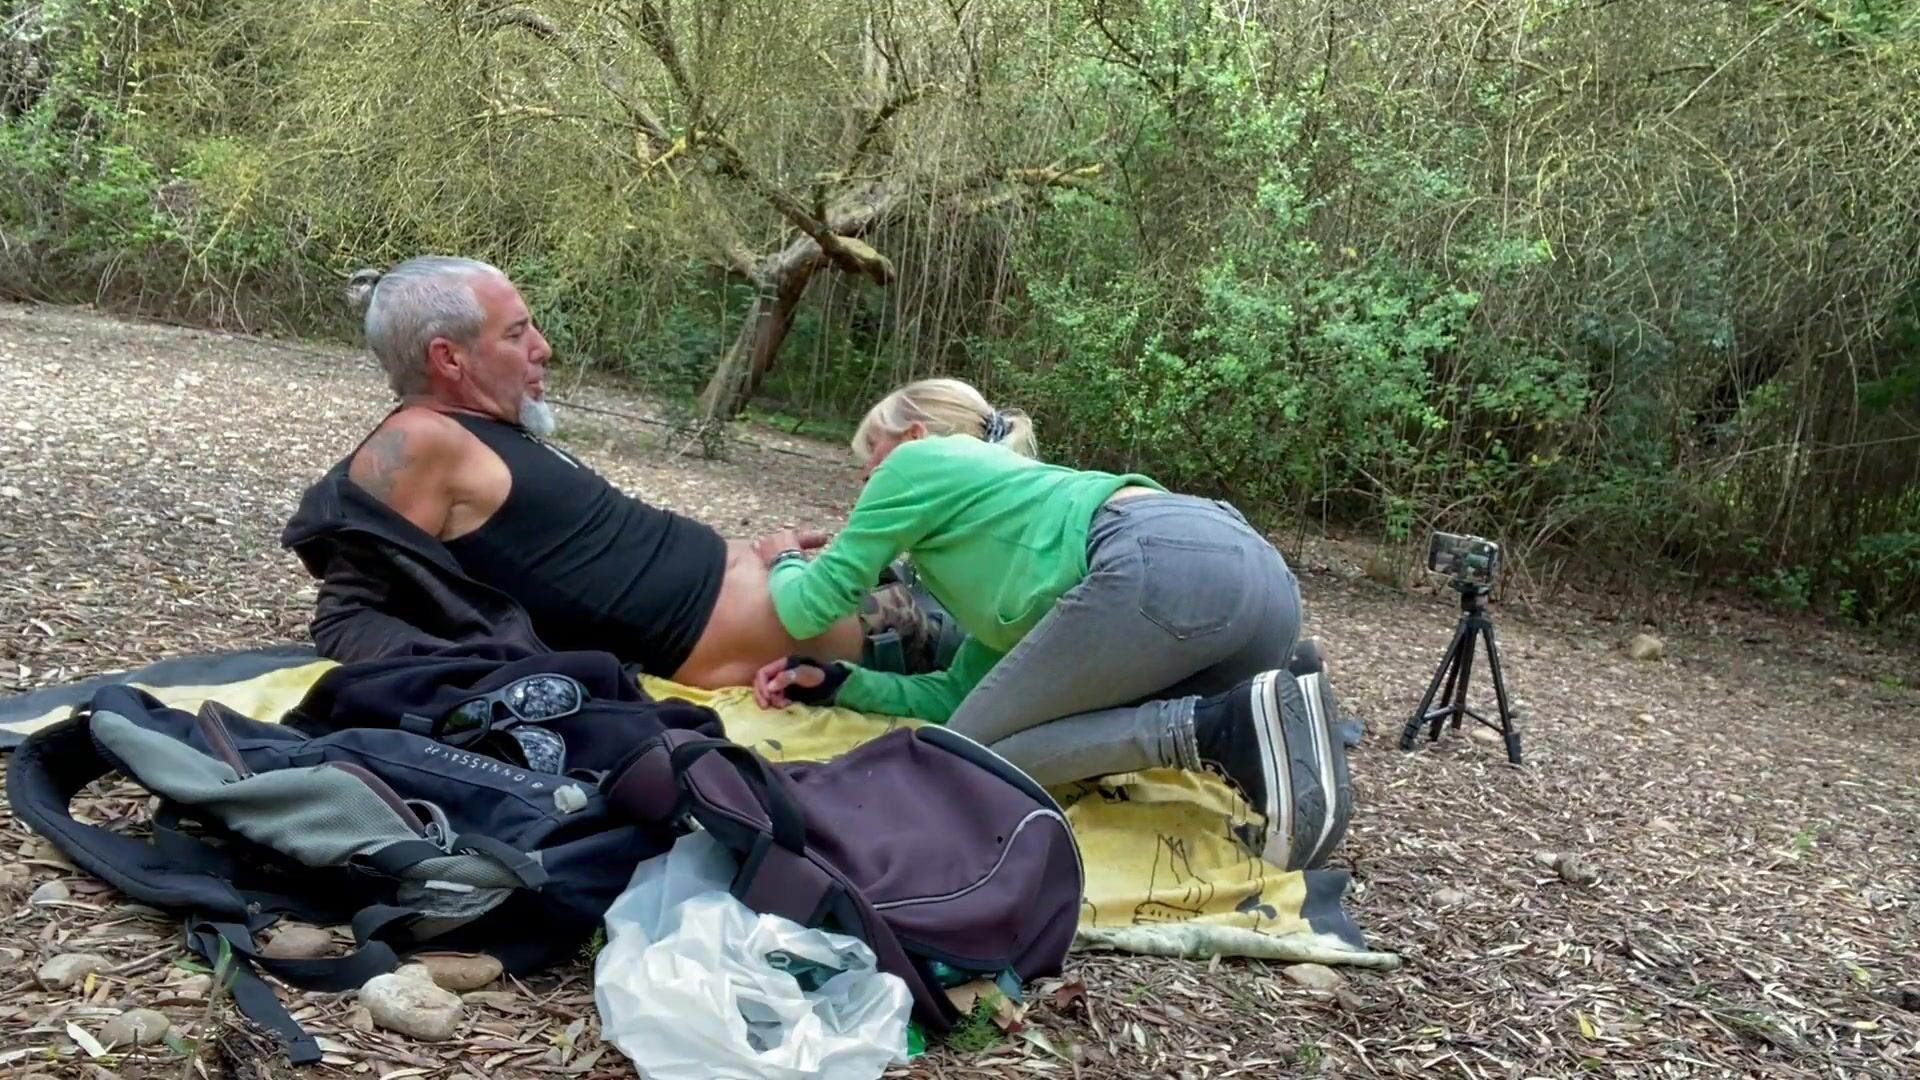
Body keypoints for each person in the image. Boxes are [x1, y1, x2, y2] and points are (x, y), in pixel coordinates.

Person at [280, 256, 955, 688]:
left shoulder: (490, 431)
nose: (543, 348)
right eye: (516, 334)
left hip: (815, 587)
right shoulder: (419, 442)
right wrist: (501, 681)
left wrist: (759, 554)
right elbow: (349, 615)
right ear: (448, 359)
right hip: (851, 635)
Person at [749, 378, 1342, 865]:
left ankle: (1216, 729)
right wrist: (841, 683)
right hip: (1258, 586)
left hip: (1161, 566)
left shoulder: (916, 462)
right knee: (990, 731)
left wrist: (785, 558)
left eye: (871, 451)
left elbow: (806, 608)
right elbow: (960, 697)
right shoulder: (1012, 525)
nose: (865, 475)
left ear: (914, 434)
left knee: (965, 759)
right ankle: (1269, 701)